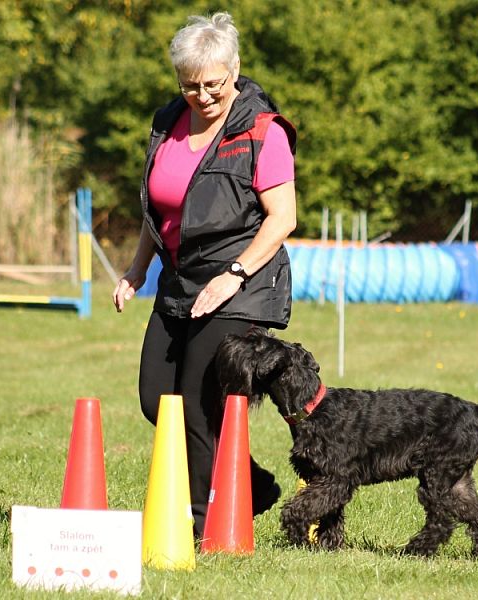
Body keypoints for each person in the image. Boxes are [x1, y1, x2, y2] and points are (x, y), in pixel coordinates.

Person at [112, 12, 297, 537]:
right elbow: (162, 208)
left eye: (213, 84)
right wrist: (136, 267)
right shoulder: (167, 121)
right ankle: (253, 485)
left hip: (242, 283)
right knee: (157, 401)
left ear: (234, 71)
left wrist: (233, 274)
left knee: (196, 405)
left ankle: (199, 524)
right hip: (180, 281)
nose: (202, 95)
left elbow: (283, 218)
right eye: (190, 85)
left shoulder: (262, 131)